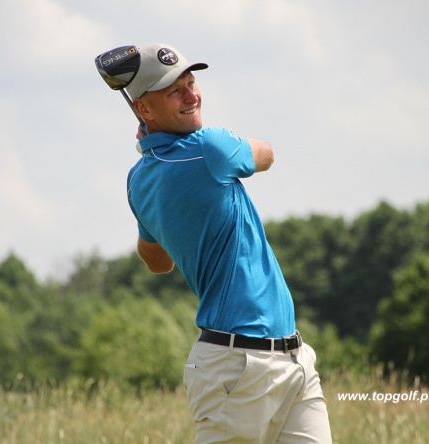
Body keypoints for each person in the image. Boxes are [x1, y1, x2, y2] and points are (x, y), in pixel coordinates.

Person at [124, 43, 332, 444]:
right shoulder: (212, 147)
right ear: (144, 110)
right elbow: (267, 155)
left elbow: (157, 261)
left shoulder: (138, 180)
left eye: (191, 82)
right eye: (174, 91)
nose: (192, 95)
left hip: (294, 360)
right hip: (236, 367)